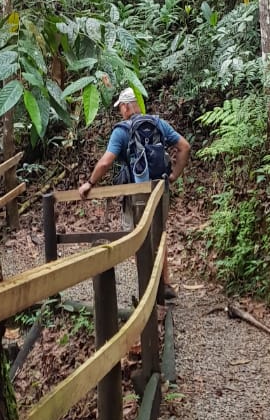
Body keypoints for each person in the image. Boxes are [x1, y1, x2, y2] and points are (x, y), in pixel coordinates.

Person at [78, 86, 190, 299]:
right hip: (159, 189)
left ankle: (147, 287)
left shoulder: (122, 131)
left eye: (121, 107)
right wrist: (174, 175)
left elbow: (106, 162)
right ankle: (165, 283)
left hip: (135, 192)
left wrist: (90, 183)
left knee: (136, 237)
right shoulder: (158, 124)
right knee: (158, 233)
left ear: (126, 107)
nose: (121, 111)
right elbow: (185, 146)